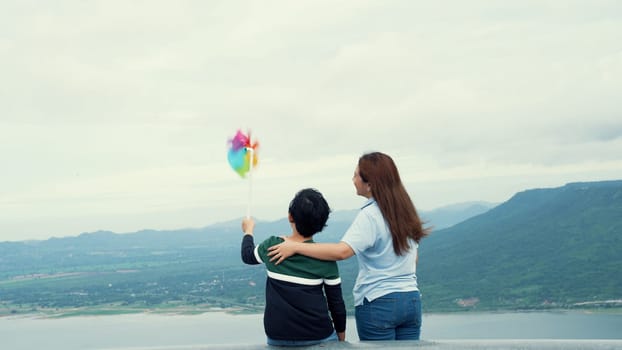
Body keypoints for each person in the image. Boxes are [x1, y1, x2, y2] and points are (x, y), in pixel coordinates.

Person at [268, 152, 430, 341]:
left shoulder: (370, 215)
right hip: (411, 299)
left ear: (369, 184)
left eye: (356, 175)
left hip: (379, 302)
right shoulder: (405, 211)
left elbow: (342, 251)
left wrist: (295, 247)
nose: (352, 179)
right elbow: (413, 258)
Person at [240, 188, 347, 346]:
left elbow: (248, 256)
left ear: (290, 216)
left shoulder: (273, 246)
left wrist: (248, 230)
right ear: (322, 223)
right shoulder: (325, 258)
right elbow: (336, 304)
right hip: (319, 336)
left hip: (278, 338)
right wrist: (341, 339)